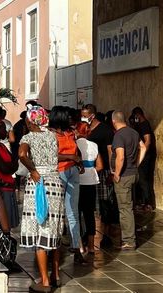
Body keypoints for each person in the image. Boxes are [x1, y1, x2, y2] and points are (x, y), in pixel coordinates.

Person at [19, 106, 65, 292]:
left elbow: (22, 154)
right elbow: (55, 157)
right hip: (55, 183)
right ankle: (56, 275)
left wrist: (33, 170)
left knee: (40, 228)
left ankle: (44, 281)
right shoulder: (52, 136)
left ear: (32, 121)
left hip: (38, 185)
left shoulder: (28, 138)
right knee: (53, 228)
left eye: (28, 120)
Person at [49, 106, 86, 264]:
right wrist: (72, 156)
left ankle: (77, 248)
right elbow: (51, 156)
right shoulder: (51, 135)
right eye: (67, 117)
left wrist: (79, 160)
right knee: (57, 212)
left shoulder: (70, 132)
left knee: (73, 212)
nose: (71, 119)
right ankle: (52, 248)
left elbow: (76, 150)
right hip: (60, 173)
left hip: (72, 171)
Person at [81, 104, 115, 247]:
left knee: (104, 202)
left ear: (92, 115)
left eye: (85, 115)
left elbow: (110, 151)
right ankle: (87, 233)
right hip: (87, 174)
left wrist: (112, 171)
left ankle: (106, 234)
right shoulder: (84, 130)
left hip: (102, 171)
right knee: (88, 206)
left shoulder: (105, 130)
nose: (83, 118)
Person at [111, 111, 144, 250]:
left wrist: (117, 173)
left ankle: (129, 240)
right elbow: (143, 147)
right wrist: (137, 163)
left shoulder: (119, 135)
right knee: (129, 205)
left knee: (125, 209)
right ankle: (130, 236)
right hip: (133, 173)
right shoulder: (134, 133)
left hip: (123, 176)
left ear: (114, 121)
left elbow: (120, 156)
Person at [76, 122, 103, 254]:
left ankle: (80, 245)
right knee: (89, 215)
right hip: (91, 182)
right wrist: (90, 170)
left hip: (77, 182)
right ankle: (92, 246)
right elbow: (100, 166)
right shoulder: (94, 145)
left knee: (76, 214)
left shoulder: (74, 145)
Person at [131, 107, 157, 211]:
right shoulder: (141, 125)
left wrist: (142, 153)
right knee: (142, 179)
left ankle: (148, 202)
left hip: (145, 157)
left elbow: (148, 141)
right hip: (144, 155)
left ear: (138, 115)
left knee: (143, 179)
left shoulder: (144, 125)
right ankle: (143, 201)